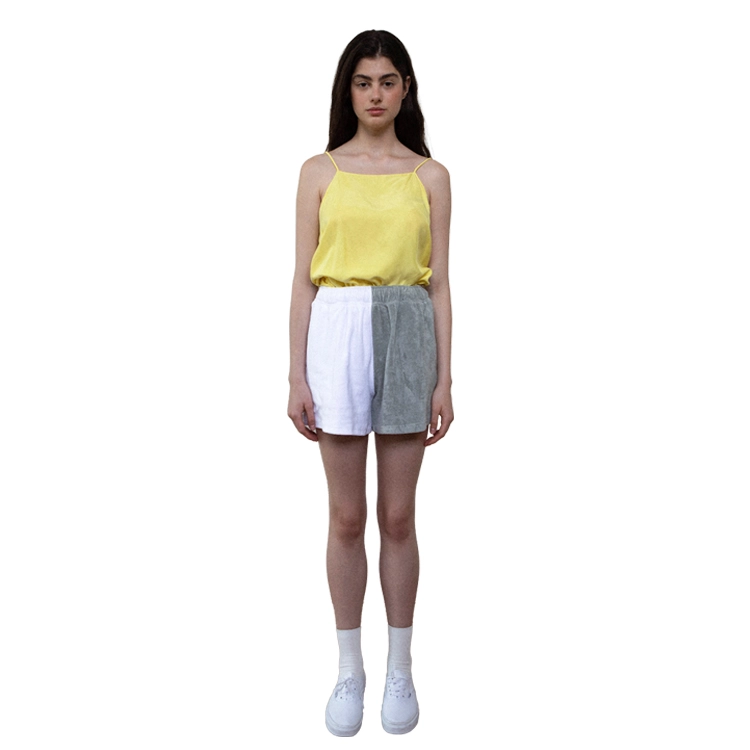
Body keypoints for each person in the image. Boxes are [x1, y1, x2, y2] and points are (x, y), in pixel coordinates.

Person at [287, 29, 453, 737]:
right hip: (338, 326)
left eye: (387, 81)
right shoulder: (319, 171)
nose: (376, 94)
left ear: (405, 89)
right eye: (363, 82)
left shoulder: (431, 176)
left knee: (398, 516)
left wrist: (445, 378)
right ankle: (349, 668)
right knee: (347, 516)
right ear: (347, 90)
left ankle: (401, 667)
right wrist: (296, 372)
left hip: (408, 326)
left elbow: (439, 283)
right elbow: (302, 280)